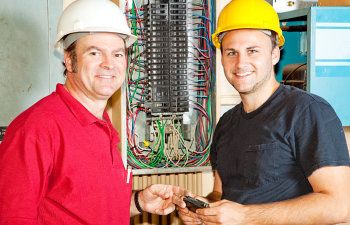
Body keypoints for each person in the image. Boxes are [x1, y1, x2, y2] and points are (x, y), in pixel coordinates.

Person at [0, 0, 186, 224]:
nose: (109, 64)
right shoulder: (35, 130)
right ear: (69, 60)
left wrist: (138, 203)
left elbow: (85, 209)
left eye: (118, 54)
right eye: (95, 53)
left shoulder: (103, 126)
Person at [178, 0, 350, 224]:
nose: (241, 63)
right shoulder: (227, 123)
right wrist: (205, 211)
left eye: (252, 51)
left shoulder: (308, 112)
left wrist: (245, 216)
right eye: (231, 52)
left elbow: (340, 206)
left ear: (275, 54)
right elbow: (221, 194)